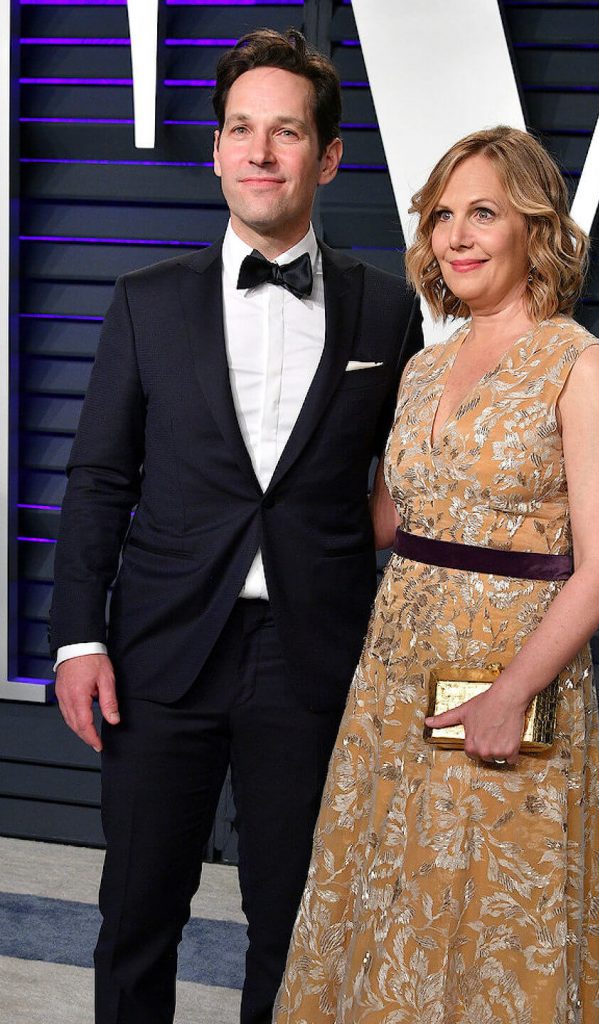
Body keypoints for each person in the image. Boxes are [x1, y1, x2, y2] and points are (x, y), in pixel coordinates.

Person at [48, 28, 422, 1024]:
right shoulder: (143, 303)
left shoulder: (388, 314)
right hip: (159, 651)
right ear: (216, 150)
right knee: (136, 913)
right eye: (242, 130)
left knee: (296, 924)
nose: (261, 152)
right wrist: (79, 636)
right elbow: (95, 479)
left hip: (312, 657)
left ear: (327, 156)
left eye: (287, 132)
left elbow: (415, 483)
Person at [273, 126, 599, 1023]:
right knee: (382, 898)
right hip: (392, 680)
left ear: (534, 228)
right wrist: (253, 517)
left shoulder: (579, 365)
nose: (458, 236)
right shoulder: (421, 370)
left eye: (485, 212)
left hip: (508, 675)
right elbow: (391, 521)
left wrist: (513, 692)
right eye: (442, 215)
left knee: (487, 913)